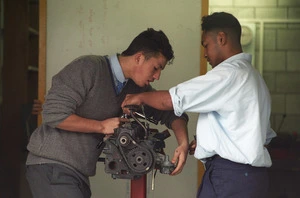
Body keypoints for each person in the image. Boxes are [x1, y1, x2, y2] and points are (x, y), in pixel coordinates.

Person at [122, 12, 277, 198]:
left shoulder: (228, 74)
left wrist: (139, 98)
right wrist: (208, 143)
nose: (204, 54)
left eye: (206, 45)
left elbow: (172, 100)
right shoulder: (254, 78)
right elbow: (261, 136)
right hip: (249, 179)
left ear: (221, 38)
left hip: (230, 178)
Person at [26, 28, 189, 198]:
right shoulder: (88, 67)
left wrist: (183, 144)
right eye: (156, 68)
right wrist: (101, 126)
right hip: (52, 166)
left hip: (78, 173)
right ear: (139, 57)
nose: (157, 76)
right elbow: (53, 114)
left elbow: (171, 113)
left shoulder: (134, 88)